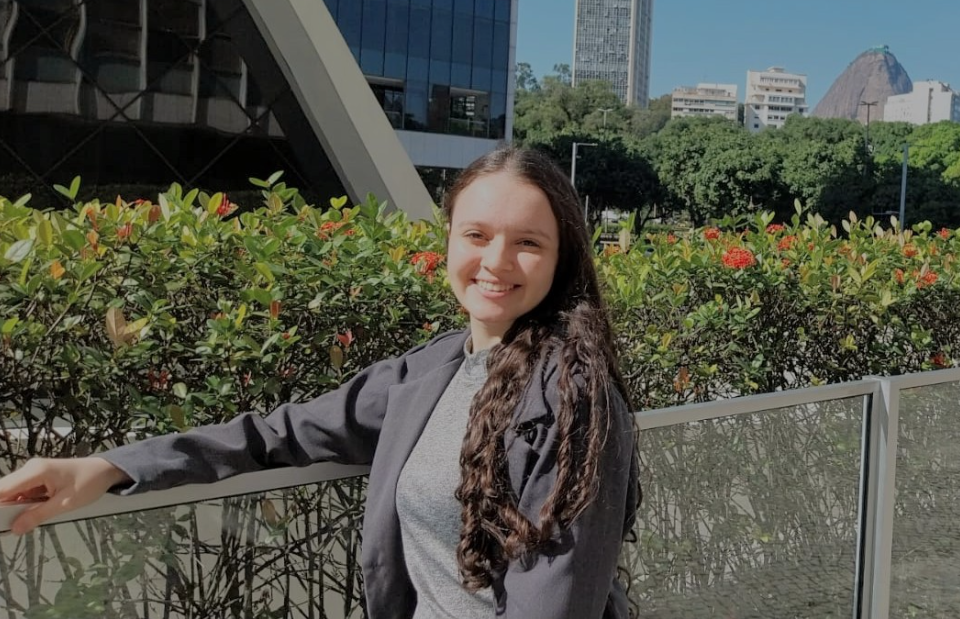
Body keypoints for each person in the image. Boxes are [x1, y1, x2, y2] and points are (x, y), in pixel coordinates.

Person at [0, 147, 640, 619]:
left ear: (560, 260)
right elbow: (274, 434)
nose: (496, 261)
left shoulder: (573, 398)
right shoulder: (429, 372)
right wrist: (109, 466)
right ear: (448, 240)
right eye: (476, 235)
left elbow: (554, 605)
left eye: (528, 242)